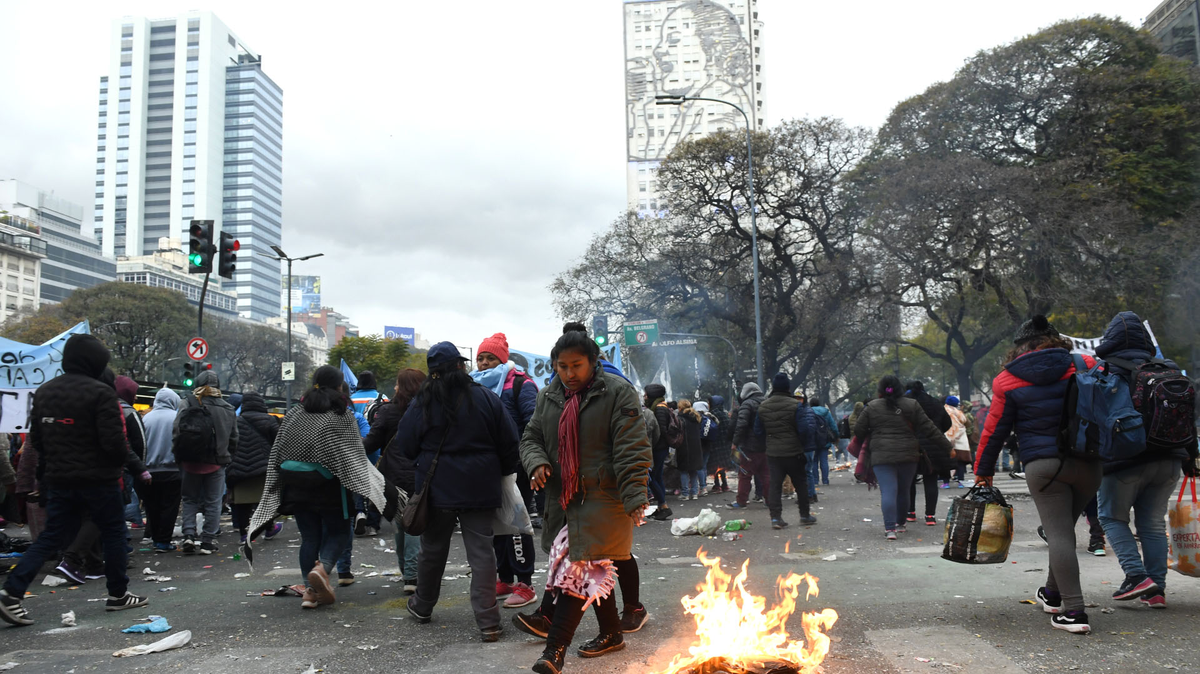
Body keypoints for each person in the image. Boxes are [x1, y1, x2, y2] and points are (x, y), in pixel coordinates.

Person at [512, 327, 652, 674]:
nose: (570, 374)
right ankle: (611, 633)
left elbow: (632, 449)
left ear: (593, 362)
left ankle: (554, 651)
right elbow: (530, 437)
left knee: (579, 570)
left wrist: (635, 495)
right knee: (592, 566)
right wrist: (537, 462)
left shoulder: (618, 393)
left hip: (605, 497)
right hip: (563, 498)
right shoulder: (548, 397)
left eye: (577, 365)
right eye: (562, 367)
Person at [0, 335, 148, 626]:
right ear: (95, 362)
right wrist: (124, 466)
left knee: (50, 536)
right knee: (114, 532)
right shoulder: (101, 394)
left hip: (58, 479)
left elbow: (38, 441)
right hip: (99, 480)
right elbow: (115, 444)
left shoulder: (44, 392)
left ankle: (11, 592)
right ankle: (118, 594)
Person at [975, 315, 1100, 634]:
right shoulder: (1085, 363)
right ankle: (1053, 593)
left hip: (1043, 465)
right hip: (1089, 461)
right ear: (1055, 340)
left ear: (1021, 346)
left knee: (1059, 534)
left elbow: (994, 430)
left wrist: (983, 471)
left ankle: (1074, 611)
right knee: (1065, 531)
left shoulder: (1007, 379)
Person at [246, 365, 400, 610]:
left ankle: (310, 593)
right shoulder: (341, 415)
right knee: (339, 532)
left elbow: (279, 447)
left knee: (309, 538)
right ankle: (321, 571)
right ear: (340, 387)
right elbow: (354, 454)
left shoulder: (296, 412)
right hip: (330, 487)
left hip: (296, 486)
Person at [397, 342, 519, 642]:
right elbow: (509, 441)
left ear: (433, 372)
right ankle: (489, 620)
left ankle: (423, 605)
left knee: (432, 549)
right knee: (482, 553)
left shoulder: (422, 402)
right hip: (480, 486)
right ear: (461, 366)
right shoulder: (485, 397)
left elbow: (406, 443)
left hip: (436, 487)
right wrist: (499, 472)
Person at [1093, 311, 1199, 608]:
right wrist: (1191, 457)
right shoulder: (1170, 369)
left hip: (1125, 460)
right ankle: (1157, 592)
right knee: (1152, 524)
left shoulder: (1108, 370)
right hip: (1170, 459)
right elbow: (1188, 419)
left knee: (1111, 518)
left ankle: (1136, 576)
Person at [471, 332, 540, 610]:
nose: (485, 363)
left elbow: (532, 426)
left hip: (516, 466)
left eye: (490, 358)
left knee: (516, 524)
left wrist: (522, 460)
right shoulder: (475, 386)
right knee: (497, 524)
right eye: (481, 358)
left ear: (502, 360)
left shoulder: (521, 384)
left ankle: (525, 583)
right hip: (488, 468)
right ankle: (505, 577)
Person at [855, 375, 950, 540]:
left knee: (888, 492)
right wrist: (948, 447)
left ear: (881, 390)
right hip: (908, 455)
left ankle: (890, 529)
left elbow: (858, 430)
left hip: (881, 455)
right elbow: (930, 428)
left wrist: (873, 434)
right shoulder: (911, 405)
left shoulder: (871, 407)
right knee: (904, 490)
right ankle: (901, 523)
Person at [372, 368, 426, 594]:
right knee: (414, 525)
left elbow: (372, 441)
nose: (394, 387)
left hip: (391, 476)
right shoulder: (427, 410)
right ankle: (412, 576)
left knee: (399, 525)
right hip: (419, 473)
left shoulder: (387, 412)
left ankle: (406, 571)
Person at [175, 369, 238, 555]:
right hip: (216, 462)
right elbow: (234, 438)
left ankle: (188, 535)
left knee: (189, 499)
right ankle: (207, 541)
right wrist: (226, 456)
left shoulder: (187, 403)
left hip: (190, 461)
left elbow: (176, 430)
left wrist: (179, 456)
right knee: (213, 501)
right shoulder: (228, 408)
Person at [754, 373, 818, 530]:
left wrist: (768, 444)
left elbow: (758, 431)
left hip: (773, 453)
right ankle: (804, 515)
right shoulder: (796, 405)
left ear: (773, 387)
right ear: (788, 387)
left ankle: (776, 518)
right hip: (794, 452)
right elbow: (804, 430)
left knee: (775, 485)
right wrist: (802, 445)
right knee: (800, 484)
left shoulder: (763, 407)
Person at [227, 392, 282, 544]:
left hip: (239, 467)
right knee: (265, 500)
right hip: (263, 467)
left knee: (242, 503)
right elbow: (278, 442)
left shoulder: (236, 421)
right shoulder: (269, 420)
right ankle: (269, 528)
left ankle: (245, 534)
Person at [137, 388, 183, 553]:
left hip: (148, 471)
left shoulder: (146, 418)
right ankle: (163, 541)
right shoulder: (176, 417)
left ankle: (155, 537)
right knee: (169, 507)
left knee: (152, 507)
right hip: (173, 469)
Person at [905, 381, 953, 525]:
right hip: (934, 445)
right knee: (931, 479)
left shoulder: (906, 404)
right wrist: (938, 433)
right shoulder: (935, 403)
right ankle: (930, 516)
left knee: (909, 480)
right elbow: (947, 423)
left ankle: (910, 512)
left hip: (911, 444)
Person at [349, 371, 386, 537]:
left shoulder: (351, 399)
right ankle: (373, 524)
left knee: (357, 481)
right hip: (377, 447)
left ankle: (359, 512)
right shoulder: (382, 398)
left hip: (354, 447)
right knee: (376, 483)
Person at [730, 382, 769, 509]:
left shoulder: (747, 404)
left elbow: (741, 425)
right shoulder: (767, 402)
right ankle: (770, 500)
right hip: (766, 445)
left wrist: (735, 442)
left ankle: (741, 501)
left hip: (749, 447)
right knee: (766, 474)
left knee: (744, 474)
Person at [643, 383, 675, 520]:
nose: (644, 397)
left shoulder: (659, 408)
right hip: (659, 448)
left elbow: (659, 431)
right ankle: (661, 507)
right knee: (657, 478)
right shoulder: (659, 406)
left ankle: (664, 506)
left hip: (658, 448)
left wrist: (652, 445)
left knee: (651, 479)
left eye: (646, 394)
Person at [676, 400, 706, 499]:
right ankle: (694, 493)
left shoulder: (680, 418)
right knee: (693, 471)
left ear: (680, 408)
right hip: (696, 448)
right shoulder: (696, 418)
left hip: (684, 447)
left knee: (683, 471)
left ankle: (685, 494)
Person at [706, 396, 732, 493]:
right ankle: (724, 485)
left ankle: (717, 485)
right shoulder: (724, 413)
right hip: (725, 443)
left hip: (715, 443)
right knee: (722, 465)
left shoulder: (712, 414)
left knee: (715, 465)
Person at [809, 397, 837, 488]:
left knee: (814, 461)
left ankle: (815, 480)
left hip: (812, 439)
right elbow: (833, 425)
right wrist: (836, 435)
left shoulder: (808, 412)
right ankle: (825, 480)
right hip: (824, 439)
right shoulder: (826, 412)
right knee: (824, 460)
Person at [944, 396, 971, 488]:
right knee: (960, 462)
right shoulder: (959, 413)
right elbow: (966, 422)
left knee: (946, 462)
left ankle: (946, 483)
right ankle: (961, 482)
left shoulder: (943, 411)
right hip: (960, 439)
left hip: (947, 438)